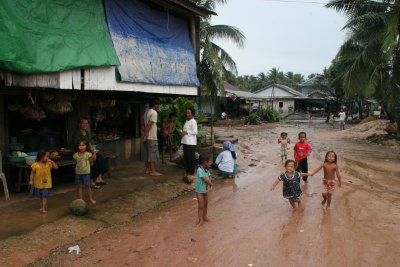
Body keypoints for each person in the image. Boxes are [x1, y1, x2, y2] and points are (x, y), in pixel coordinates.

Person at [71, 117, 108, 189]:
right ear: (80, 124)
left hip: (88, 152)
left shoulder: (87, 132)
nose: (85, 124)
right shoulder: (76, 133)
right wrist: (89, 155)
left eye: (87, 123)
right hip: (79, 153)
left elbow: (89, 144)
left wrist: (93, 153)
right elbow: (79, 145)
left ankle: (99, 179)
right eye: (83, 123)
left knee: (101, 158)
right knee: (92, 163)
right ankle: (91, 182)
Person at [143, 98, 162, 176]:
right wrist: (146, 135)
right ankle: (153, 171)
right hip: (151, 137)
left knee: (147, 154)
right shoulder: (154, 112)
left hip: (147, 137)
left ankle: (147, 170)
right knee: (152, 154)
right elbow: (149, 125)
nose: (159, 106)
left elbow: (142, 124)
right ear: (155, 105)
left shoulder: (146, 112)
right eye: (158, 105)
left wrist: (144, 135)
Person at [195, 154, 213, 226]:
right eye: (209, 162)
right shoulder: (199, 170)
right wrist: (211, 184)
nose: (210, 163)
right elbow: (205, 179)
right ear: (205, 162)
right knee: (201, 206)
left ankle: (204, 217)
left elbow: (208, 178)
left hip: (205, 191)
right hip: (199, 191)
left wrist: (210, 186)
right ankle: (200, 220)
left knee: (206, 205)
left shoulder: (206, 170)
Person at [181, 107, 198, 179]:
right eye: (187, 113)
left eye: (189, 113)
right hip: (185, 141)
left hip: (191, 143)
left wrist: (186, 132)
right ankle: (188, 172)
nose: (187, 114)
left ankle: (192, 172)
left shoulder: (193, 121)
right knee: (186, 158)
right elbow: (185, 131)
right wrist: (182, 132)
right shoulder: (187, 121)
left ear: (192, 114)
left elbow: (195, 132)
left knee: (191, 158)